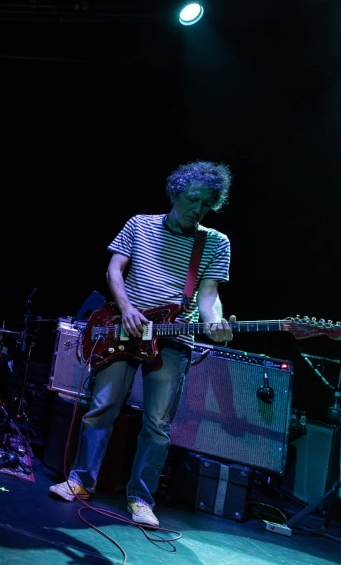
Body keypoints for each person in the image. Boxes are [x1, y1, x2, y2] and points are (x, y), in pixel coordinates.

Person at [49, 160, 234, 528]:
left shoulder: (215, 242)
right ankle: (80, 481)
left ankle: (140, 499)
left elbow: (208, 296)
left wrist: (215, 322)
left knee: (157, 424)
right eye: (193, 199)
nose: (198, 209)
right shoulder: (139, 224)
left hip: (172, 338)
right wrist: (127, 308)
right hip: (124, 329)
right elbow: (114, 270)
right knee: (102, 407)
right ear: (175, 193)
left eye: (206, 204)